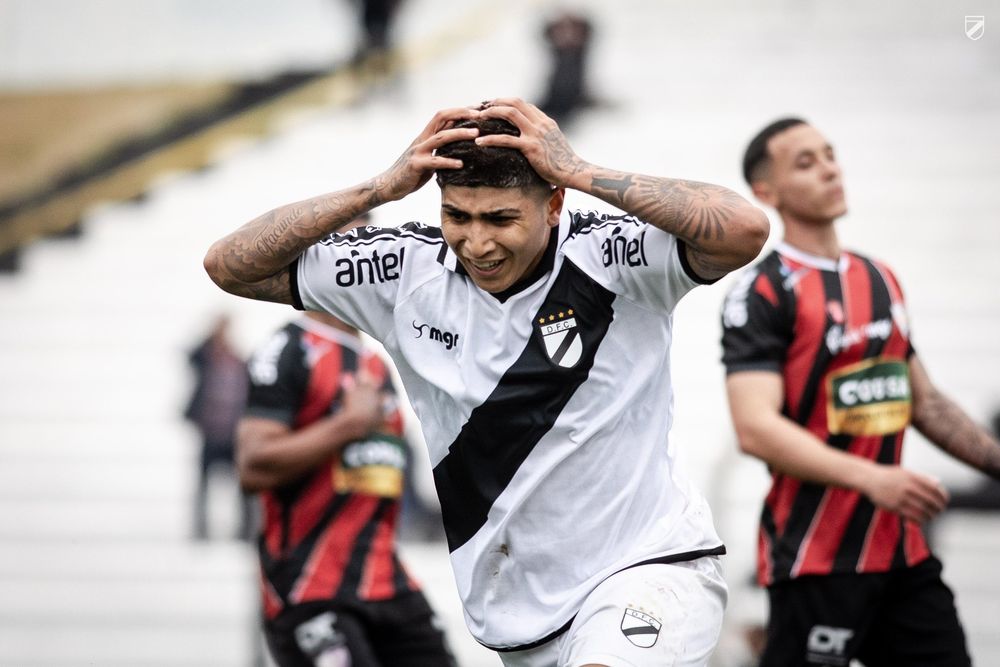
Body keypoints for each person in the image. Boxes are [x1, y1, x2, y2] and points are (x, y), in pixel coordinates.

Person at [205, 98, 769, 666]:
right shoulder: (401, 271)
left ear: (554, 204)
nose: (477, 243)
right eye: (458, 216)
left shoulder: (613, 256)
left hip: (648, 568)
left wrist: (579, 170)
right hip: (518, 616)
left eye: (500, 220)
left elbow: (744, 229)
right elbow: (229, 265)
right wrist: (380, 188)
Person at [720, 117, 1000, 666]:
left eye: (830, 155)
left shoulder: (879, 277)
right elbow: (755, 428)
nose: (829, 169)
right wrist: (873, 478)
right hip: (816, 558)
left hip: (902, 556)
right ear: (766, 192)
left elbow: (927, 403)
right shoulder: (762, 291)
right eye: (806, 163)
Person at [239, 306, 456, 667]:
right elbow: (252, 464)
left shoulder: (374, 361)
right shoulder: (289, 347)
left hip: (385, 577)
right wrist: (350, 423)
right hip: (310, 586)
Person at [183, 313, 252, 541]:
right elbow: (192, 355)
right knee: (204, 484)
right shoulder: (207, 358)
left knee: (243, 484)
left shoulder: (237, 360)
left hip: (233, 433)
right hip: (211, 432)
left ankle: (245, 529)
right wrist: (211, 337)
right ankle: (201, 529)